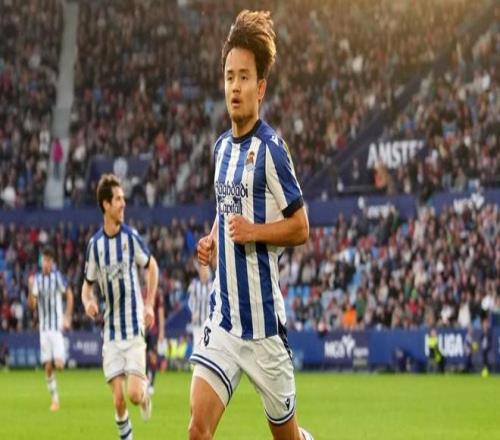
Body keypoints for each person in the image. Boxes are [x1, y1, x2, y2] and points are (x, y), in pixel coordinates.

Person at [189, 10, 313, 440]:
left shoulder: (272, 150)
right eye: (229, 77)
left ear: (260, 88)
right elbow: (227, 207)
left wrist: (254, 232)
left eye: (244, 77)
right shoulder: (220, 148)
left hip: (263, 330)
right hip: (224, 320)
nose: (235, 87)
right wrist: (212, 238)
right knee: (197, 430)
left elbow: (301, 227)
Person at [81, 174, 159, 440]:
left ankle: (145, 396)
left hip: (134, 328)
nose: (123, 204)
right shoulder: (95, 246)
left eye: (123, 199)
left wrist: (149, 305)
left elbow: (152, 266)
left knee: (134, 395)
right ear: (106, 205)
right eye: (118, 199)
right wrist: (88, 302)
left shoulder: (130, 238)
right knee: (118, 400)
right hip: (112, 333)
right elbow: (86, 287)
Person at [28, 245, 74, 411]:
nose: (46, 263)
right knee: (47, 367)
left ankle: (56, 359)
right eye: (44, 260)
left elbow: (69, 294)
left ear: (52, 262)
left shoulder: (57, 277)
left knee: (59, 365)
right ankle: (55, 400)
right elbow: (32, 305)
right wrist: (30, 288)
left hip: (56, 328)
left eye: (48, 260)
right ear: (41, 261)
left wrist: (67, 316)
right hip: (44, 330)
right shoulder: (37, 280)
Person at [144, 287, 165, 396]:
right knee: (143, 357)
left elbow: (160, 313)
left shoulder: (157, 292)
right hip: (142, 330)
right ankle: (145, 381)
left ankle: (151, 384)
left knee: (153, 356)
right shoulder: (141, 291)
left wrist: (161, 331)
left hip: (153, 330)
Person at [188, 263, 213, 348]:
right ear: (199, 272)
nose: (204, 272)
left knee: (206, 347)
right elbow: (190, 302)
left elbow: (214, 303)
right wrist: (193, 312)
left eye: (205, 270)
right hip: (197, 323)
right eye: (202, 270)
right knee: (197, 346)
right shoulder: (195, 284)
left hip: (208, 323)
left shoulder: (212, 285)